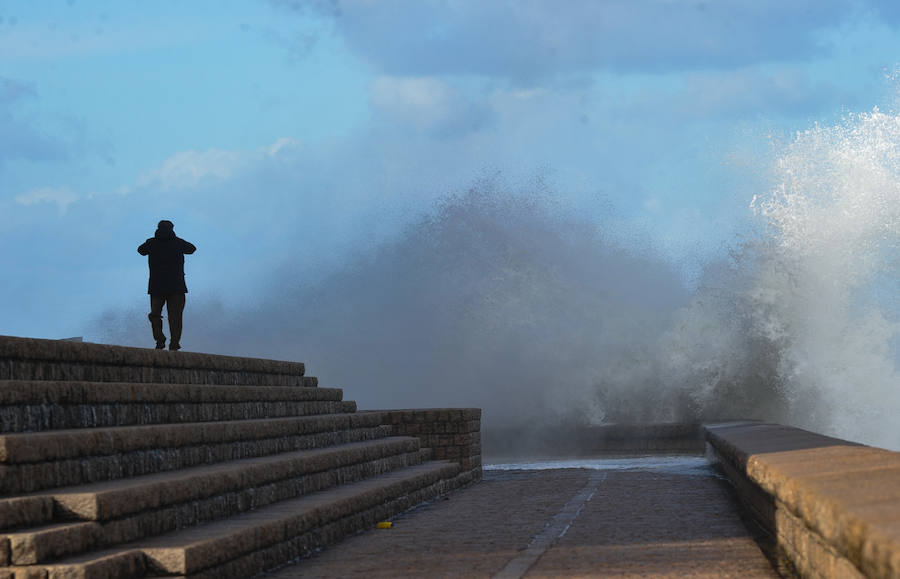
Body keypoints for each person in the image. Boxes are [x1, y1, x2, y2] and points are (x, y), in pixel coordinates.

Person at [137, 220, 196, 350]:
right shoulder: (178, 242)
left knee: (155, 314)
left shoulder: (151, 243)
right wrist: (175, 240)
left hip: (157, 287)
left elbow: (140, 250)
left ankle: (160, 339)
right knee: (175, 317)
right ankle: (174, 343)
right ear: (172, 228)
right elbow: (192, 249)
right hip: (177, 287)